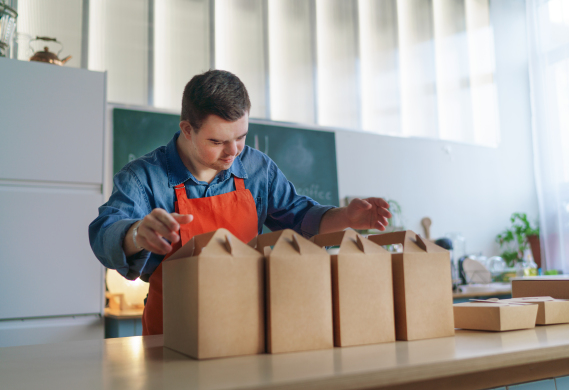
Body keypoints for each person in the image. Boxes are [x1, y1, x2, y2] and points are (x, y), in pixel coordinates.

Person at [89, 70, 392, 336]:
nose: (233, 151)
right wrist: (136, 233)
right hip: (172, 334)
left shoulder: (257, 168)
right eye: (217, 142)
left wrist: (346, 218)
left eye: (241, 137)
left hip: (246, 326)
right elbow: (104, 233)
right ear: (187, 130)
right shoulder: (143, 177)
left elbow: (300, 218)